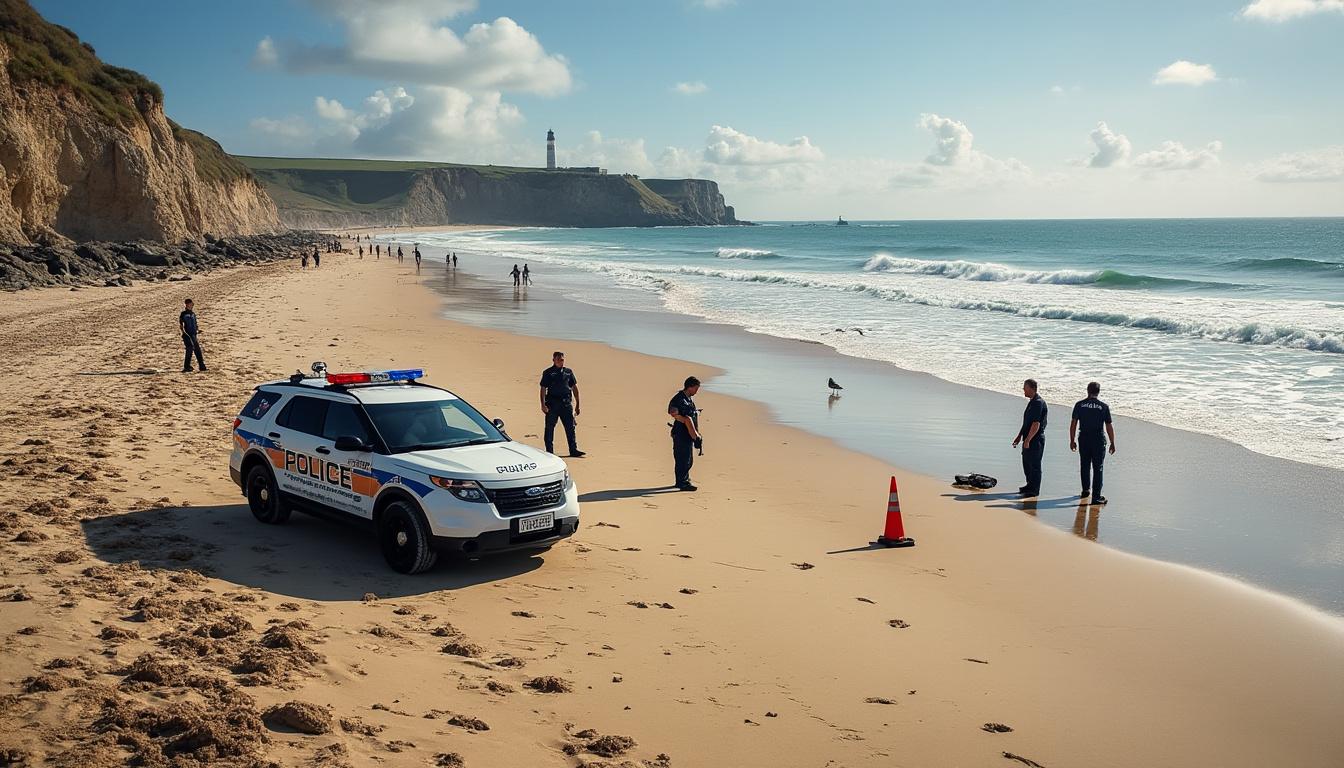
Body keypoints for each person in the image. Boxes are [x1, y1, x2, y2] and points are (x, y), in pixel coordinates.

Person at [1070, 381, 1116, 505]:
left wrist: (1072, 440)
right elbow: (1108, 426)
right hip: (1098, 439)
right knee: (1098, 468)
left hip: (1084, 438)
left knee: (1084, 465)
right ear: (1098, 392)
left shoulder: (1079, 405)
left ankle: (1085, 490)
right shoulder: (1103, 406)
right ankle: (1096, 497)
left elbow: (1073, 424)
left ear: (1087, 390)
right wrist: (1112, 442)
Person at [539, 351, 585, 457]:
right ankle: (549, 451)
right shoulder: (548, 372)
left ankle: (573, 450)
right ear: (553, 360)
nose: (561, 361)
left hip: (566, 404)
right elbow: (542, 388)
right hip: (552, 404)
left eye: (562, 359)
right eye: (558, 359)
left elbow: (574, 388)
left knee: (570, 427)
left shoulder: (568, 372)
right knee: (549, 428)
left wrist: (578, 404)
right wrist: (542, 404)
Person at [1011, 378, 1047, 497]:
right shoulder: (1032, 402)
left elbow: (1036, 424)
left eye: (1025, 388)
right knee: (1026, 462)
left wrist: (1028, 440)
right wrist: (1019, 436)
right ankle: (1029, 485)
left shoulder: (1038, 403)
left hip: (1035, 439)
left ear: (1032, 388)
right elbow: (1027, 422)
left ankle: (1034, 489)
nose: (1023, 390)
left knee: (1034, 464)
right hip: (1028, 436)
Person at [668, 376, 702, 491]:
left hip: (688, 434)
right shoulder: (679, 399)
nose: (697, 391)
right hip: (681, 433)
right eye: (696, 388)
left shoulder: (688, 399)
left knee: (687, 459)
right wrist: (680, 418)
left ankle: (683, 480)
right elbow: (673, 412)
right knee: (683, 459)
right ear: (690, 387)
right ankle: (682, 482)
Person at [179, 298, 206, 373]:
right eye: (191, 304)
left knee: (197, 349)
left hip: (193, 335)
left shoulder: (193, 314)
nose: (192, 305)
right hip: (187, 335)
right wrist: (184, 333)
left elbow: (195, 324)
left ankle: (201, 366)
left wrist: (197, 330)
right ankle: (187, 366)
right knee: (190, 349)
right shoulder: (183, 314)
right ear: (187, 304)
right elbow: (182, 325)